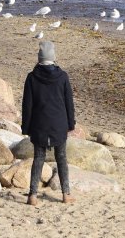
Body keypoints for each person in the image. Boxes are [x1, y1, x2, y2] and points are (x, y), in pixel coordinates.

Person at [21, 40, 75, 205]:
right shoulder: (63, 77)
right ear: (53, 57)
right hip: (59, 124)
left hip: (39, 124)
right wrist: (71, 124)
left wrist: (26, 127)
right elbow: (69, 103)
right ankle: (66, 195)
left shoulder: (31, 77)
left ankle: (33, 195)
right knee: (62, 158)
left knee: (39, 158)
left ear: (39, 58)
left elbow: (27, 106)